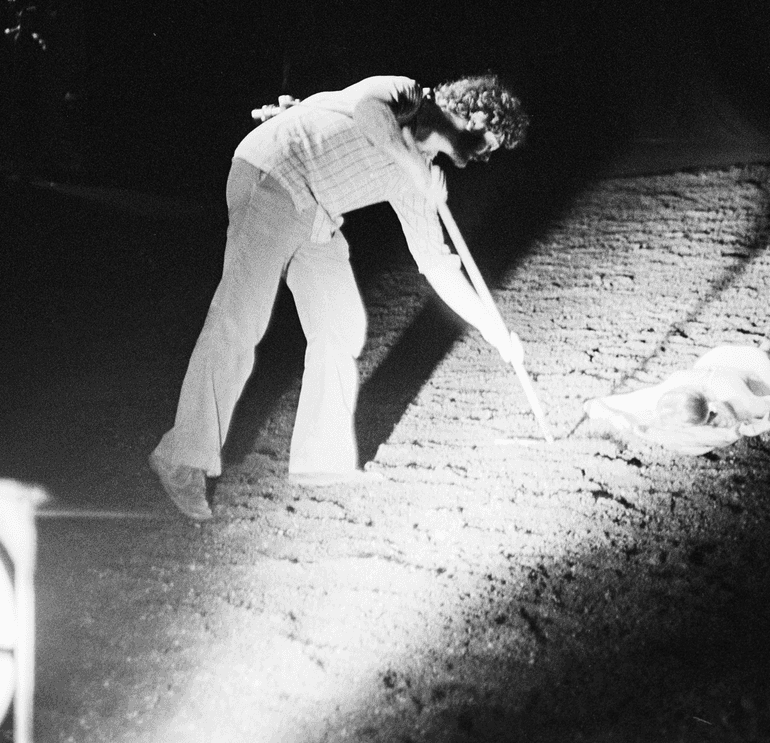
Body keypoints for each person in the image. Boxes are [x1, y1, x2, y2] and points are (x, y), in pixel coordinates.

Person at [149, 73, 529, 520]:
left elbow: (437, 266)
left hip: (314, 208)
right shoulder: (406, 94)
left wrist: (495, 330)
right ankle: (182, 457)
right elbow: (370, 115)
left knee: (341, 325)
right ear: (477, 114)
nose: (486, 155)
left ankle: (321, 463)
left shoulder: (422, 178)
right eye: (491, 141)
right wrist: (413, 169)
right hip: (272, 174)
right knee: (240, 318)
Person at [583, 341, 770, 456]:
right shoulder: (675, 385)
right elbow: (639, 399)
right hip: (720, 357)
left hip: (758, 369)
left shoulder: (740, 401)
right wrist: (603, 408)